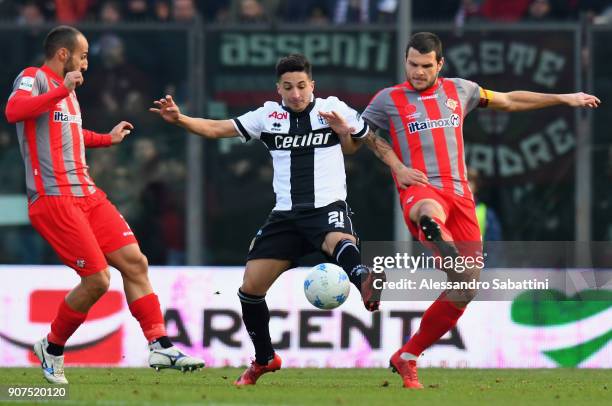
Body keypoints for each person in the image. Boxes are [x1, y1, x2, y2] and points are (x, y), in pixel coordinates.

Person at [322, 31, 600, 389]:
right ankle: (434, 231)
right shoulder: (387, 100)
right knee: (427, 210)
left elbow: (511, 101)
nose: (418, 72)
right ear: (405, 61)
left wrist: (564, 98)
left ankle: (407, 355)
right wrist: (347, 134)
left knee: (466, 287)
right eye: (412, 64)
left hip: (461, 195)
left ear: (440, 64)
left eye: (425, 66)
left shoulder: (461, 90)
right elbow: (356, 145)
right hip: (419, 185)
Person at [150, 53, 384, 385]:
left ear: (312, 85)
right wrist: (180, 119)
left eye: (302, 86)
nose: (296, 94)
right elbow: (219, 129)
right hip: (286, 215)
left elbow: (360, 142)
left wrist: (345, 133)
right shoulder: (267, 116)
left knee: (339, 240)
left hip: (326, 206)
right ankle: (264, 359)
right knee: (250, 288)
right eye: (288, 87)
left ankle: (363, 278)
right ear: (279, 89)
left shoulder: (332, 108)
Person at [4, 25, 204, 385]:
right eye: (82, 56)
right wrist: (59, 92)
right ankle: (52, 346)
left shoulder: (69, 94)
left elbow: (67, 134)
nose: (85, 63)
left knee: (135, 262)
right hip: (54, 197)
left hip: (88, 194)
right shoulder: (34, 78)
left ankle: (159, 343)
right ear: (63, 54)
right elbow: (14, 111)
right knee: (97, 279)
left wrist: (106, 139)